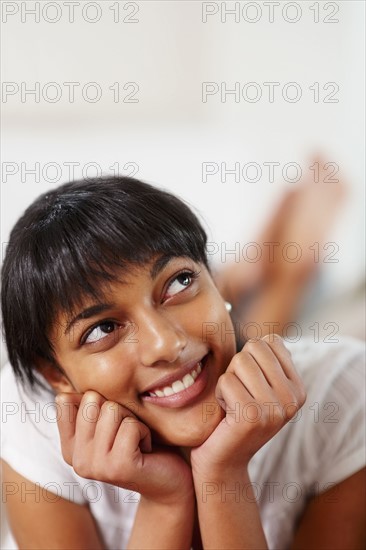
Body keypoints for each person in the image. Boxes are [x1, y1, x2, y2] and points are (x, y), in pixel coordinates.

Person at [1, 176, 365, 550]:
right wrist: (165, 500)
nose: (165, 343)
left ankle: (283, 270)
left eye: (180, 281)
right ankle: (287, 270)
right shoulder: (32, 414)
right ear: (55, 374)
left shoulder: (345, 391)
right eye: (103, 328)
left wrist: (222, 475)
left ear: (212, 279)